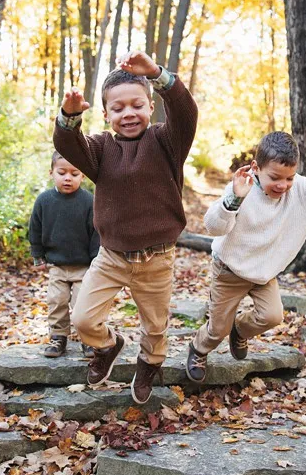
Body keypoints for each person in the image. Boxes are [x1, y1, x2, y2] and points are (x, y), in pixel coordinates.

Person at [53, 50, 198, 404]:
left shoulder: (167, 141)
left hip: (157, 260)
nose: (128, 113)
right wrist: (69, 117)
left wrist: (157, 74)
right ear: (106, 114)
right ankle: (108, 345)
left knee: (155, 325)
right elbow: (67, 145)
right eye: (118, 109)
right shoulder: (101, 149)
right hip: (112, 257)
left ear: (151, 107)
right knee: (84, 319)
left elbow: (186, 111)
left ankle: (150, 363)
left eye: (136, 105)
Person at [186, 131, 306, 383]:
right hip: (229, 270)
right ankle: (198, 349)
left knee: (272, 316)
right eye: (275, 178)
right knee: (216, 330)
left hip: (263, 274)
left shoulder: (300, 192)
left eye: (289, 177)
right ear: (256, 168)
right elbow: (214, 227)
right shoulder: (240, 189)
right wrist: (233, 199)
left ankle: (240, 329)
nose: (283, 185)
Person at [29, 152, 100, 357]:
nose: (67, 177)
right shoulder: (44, 200)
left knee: (83, 305)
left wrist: (96, 261)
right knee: (56, 301)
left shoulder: (89, 202)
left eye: (74, 173)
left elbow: (96, 232)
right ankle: (58, 337)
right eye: (62, 172)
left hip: (84, 267)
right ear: (52, 173)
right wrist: (37, 254)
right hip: (57, 265)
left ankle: (89, 339)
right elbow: (35, 228)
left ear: (83, 176)